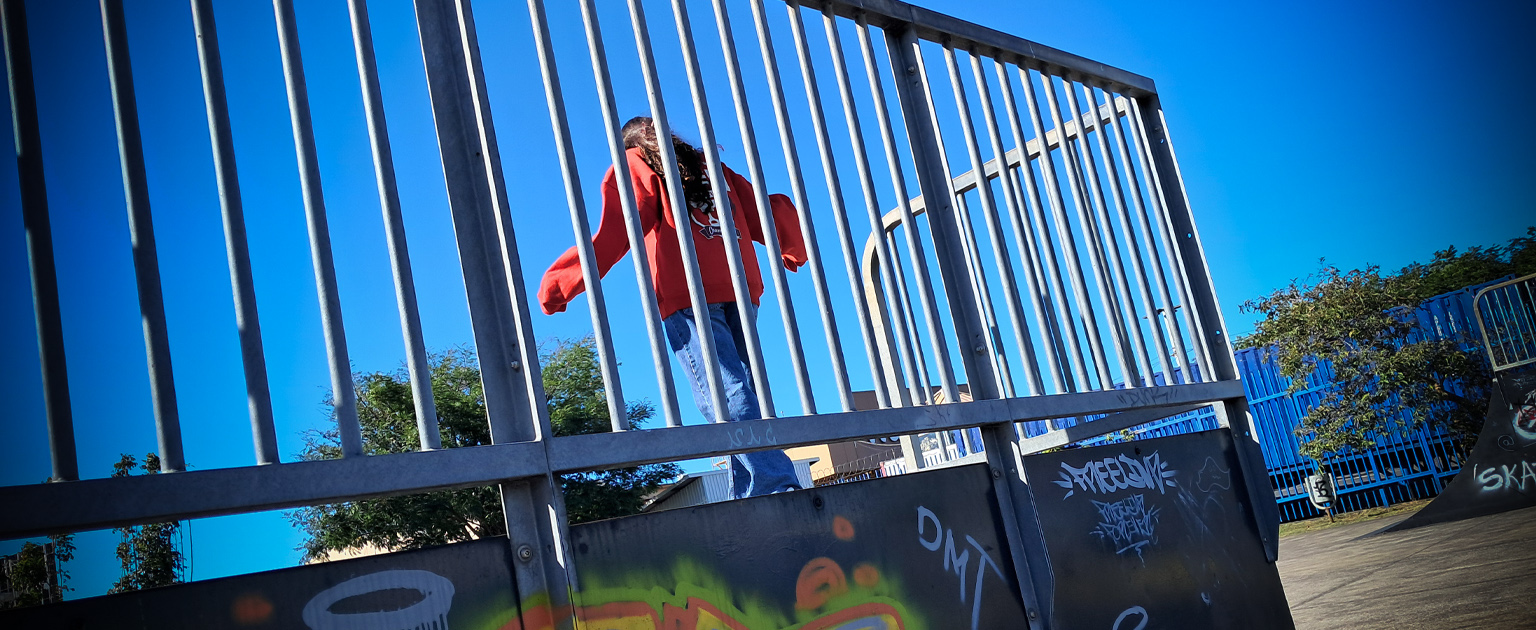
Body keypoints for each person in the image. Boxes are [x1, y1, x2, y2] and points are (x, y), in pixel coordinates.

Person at [538, 117, 806, 498]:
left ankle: (775, 483)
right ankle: (750, 492)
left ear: (631, 145)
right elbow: (762, 209)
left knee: (725, 391)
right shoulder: (710, 167)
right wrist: (792, 247)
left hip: (689, 290)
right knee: (743, 388)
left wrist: (560, 284)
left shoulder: (637, 164)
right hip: (740, 284)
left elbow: (613, 232)